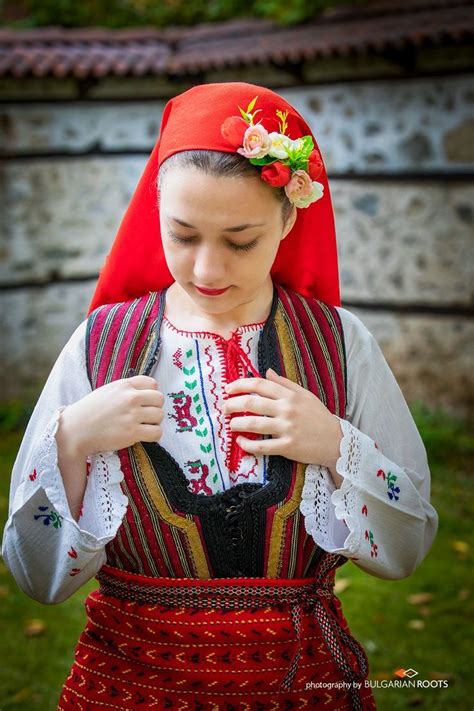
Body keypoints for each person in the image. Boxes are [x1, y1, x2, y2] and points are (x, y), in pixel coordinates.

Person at [1, 82, 438, 710]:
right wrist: (70, 442)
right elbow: (37, 577)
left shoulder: (339, 344)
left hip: (301, 684)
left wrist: (336, 443)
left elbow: (406, 546)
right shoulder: (100, 346)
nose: (208, 270)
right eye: (182, 235)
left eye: (240, 241)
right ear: (154, 213)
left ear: (289, 218)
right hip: (129, 685)